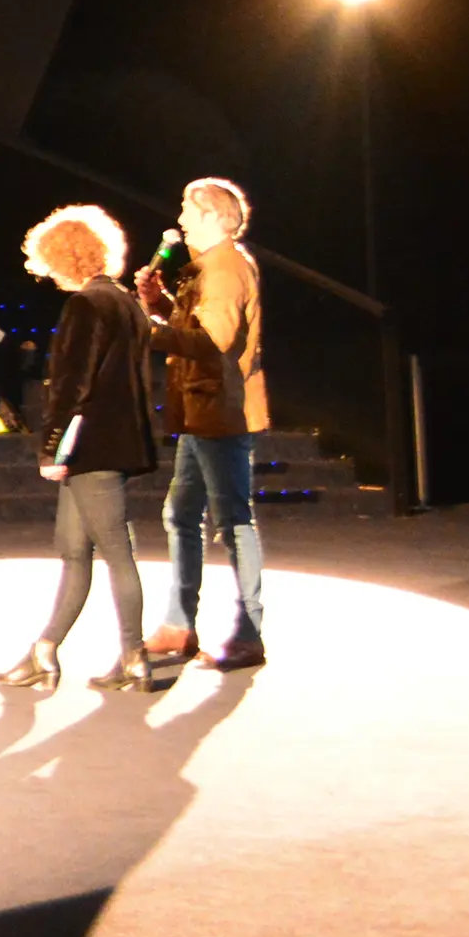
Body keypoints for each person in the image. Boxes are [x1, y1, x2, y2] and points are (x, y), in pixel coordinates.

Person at [0, 204, 158, 694]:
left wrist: (49, 448)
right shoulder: (126, 302)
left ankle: (135, 657)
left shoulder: (87, 305)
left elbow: (71, 384)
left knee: (114, 552)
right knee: (74, 549)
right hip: (114, 440)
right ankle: (44, 651)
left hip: (91, 446)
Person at [142, 176, 270, 672]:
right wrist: (158, 306)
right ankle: (179, 623)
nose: (180, 221)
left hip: (221, 409)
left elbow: (213, 340)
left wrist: (148, 329)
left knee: (233, 520)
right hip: (203, 410)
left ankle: (249, 630)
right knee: (181, 514)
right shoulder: (211, 267)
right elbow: (192, 328)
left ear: (215, 218)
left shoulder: (225, 269)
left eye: (188, 212)